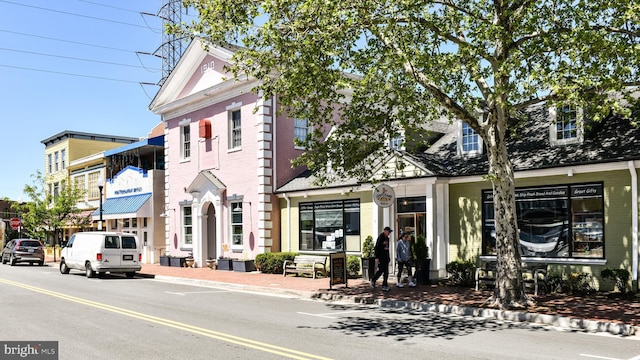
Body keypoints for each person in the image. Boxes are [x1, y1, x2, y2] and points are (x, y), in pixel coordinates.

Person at [371, 226, 392, 291]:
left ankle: (384, 285)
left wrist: (388, 257)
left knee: (386, 272)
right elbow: (377, 247)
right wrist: (376, 257)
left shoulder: (387, 239)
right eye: (388, 232)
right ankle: (373, 279)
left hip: (385, 258)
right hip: (381, 257)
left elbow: (387, 249)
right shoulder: (381, 237)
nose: (389, 233)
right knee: (380, 270)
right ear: (385, 231)